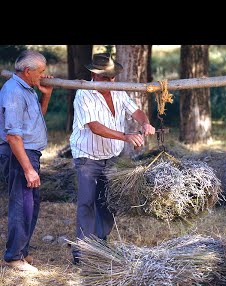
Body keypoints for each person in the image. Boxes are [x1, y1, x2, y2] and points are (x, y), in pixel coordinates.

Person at [70, 53, 156, 264]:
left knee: (107, 202)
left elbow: (136, 111)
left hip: (111, 157)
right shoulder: (83, 94)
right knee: (87, 203)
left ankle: (101, 245)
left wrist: (144, 123)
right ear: (93, 74)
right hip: (87, 156)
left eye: (112, 77)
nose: (110, 81)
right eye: (105, 77)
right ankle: (82, 254)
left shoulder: (118, 91)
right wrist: (126, 136)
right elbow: (95, 127)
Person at [0, 50, 54, 272]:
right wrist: (28, 169)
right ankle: (13, 257)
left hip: (30, 153)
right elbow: (13, 136)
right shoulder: (13, 92)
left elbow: (35, 120)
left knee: (31, 205)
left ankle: (21, 252)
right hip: (19, 153)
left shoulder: (28, 89)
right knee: (22, 205)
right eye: (41, 72)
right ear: (28, 71)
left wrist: (47, 94)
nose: (44, 75)